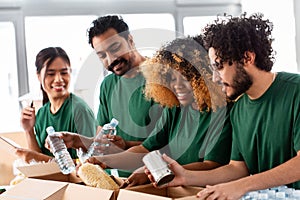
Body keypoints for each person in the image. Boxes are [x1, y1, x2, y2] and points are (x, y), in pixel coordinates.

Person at [145, 13, 300, 200]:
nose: (214, 78)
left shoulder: (295, 92)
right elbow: (237, 168)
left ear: (247, 58)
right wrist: (186, 176)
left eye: (218, 67)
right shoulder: (239, 108)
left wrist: (240, 187)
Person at [86, 36, 232, 187]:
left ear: (203, 75)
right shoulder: (174, 108)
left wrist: (161, 171)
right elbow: (145, 149)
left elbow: (211, 165)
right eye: (171, 78)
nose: (177, 86)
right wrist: (103, 161)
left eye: (185, 77)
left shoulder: (221, 112)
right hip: (174, 188)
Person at [55, 15, 163, 177]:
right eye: (102, 55)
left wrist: (125, 146)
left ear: (130, 40)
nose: (111, 59)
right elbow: (102, 141)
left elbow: (170, 144)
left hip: (159, 178)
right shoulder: (107, 85)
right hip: (125, 182)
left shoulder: (163, 77)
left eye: (114, 48)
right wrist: (78, 140)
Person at [16, 47, 97, 163]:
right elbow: (39, 166)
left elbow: (88, 164)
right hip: (53, 181)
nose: (58, 79)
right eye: (51, 74)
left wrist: (34, 157)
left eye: (64, 73)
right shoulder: (42, 113)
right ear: (38, 76)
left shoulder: (79, 110)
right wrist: (29, 130)